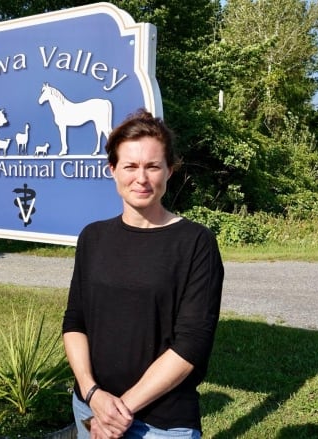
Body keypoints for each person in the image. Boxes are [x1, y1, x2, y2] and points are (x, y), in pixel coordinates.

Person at [62, 109, 224, 439]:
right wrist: (93, 394)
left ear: (170, 170)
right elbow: (75, 321)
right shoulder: (92, 237)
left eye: (152, 166)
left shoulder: (196, 243)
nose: (141, 178)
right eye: (130, 166)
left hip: (161, 423)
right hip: (91, 407)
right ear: (113, 170)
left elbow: (191, 344)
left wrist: (119, 411)